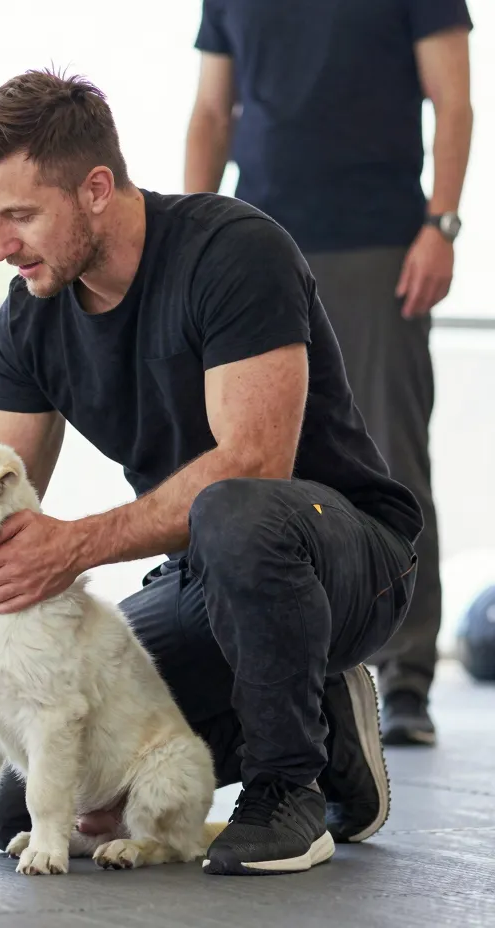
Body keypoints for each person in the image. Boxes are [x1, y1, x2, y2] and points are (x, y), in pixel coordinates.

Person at [0, 70, 424, 876]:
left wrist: (77, 544)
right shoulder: (28, 317)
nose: (0, 245)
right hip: (206, 573)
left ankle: (287, 788)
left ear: (97, 190)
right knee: (33, 798)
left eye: (20, 215)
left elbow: (257, 464)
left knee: (235, 511)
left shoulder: (234, 251)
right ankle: (324, 725)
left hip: (349, 558)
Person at [183, 1, 474, 747]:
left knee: (393, 461)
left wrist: (440, 224)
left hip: (379, 243)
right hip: (261, 243)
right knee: (256, 469)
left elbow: (454, 99)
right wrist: (191, 235)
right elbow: (213, 111)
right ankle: (289, 670)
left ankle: (404, 680)